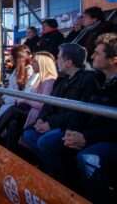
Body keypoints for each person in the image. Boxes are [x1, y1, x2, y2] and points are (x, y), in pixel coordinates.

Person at [21, 43, 100, 178]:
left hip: (69, 126)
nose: (56, 61)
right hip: (56, 123)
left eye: (59, 58)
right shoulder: (62, 80)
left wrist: (50, 123)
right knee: (28, 134)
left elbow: (78, 112)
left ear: (68, 62)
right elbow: (49, 103)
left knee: (45, 142)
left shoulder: (88, 79)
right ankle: (50, 170)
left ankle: (61, 179)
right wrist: (41, 119)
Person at [66, 33, 117, 203]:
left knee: (88, 157)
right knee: (51, 142)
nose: (92, 56)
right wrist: (72, 131)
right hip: (92, 135)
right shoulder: (95, 79)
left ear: (113, 59)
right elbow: (82, 110)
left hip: (108, 139)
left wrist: (86, 137)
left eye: (98, 53)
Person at [0, 52, 58, 151]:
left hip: (37, 114)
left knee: (12, 110)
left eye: (35, 62)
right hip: (29, 111)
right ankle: (9, 153)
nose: (32, 64)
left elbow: (43, 105)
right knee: (13, 124)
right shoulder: (40, 78)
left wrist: (26, 100)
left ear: (42, 64)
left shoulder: (49, 80)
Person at [0, 45, 36, 127]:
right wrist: (3, 99)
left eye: (12, 56)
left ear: (18, 58)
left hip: (15, 104)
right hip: (8, 102)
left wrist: (4, 100)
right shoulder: (16, 70)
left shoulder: (29, 71)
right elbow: (10, 88)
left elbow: (23, 93)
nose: (10, 58)